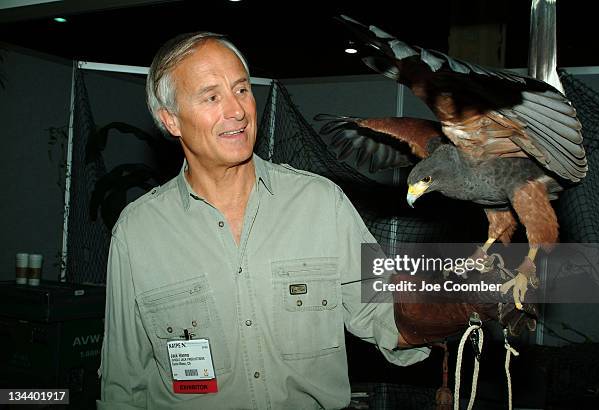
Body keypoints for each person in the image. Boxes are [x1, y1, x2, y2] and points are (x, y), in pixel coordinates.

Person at [97, 32, 429, 410]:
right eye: (211, 97)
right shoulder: (137, 233)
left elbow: (385, 310)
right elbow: (124, 385)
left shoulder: (322, 203)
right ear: (171, 120)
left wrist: (460, 298)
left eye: (241, 90)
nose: (237, 110)